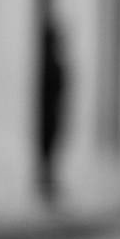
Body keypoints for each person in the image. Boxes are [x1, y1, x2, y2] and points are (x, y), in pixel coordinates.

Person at [39, 19, 67, 203]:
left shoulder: (54, 63)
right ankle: (46, 181)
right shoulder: (50, 63)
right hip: (48, 114)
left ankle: (49, 180)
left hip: (53, 112)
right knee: (48, 148)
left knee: (51, 149)